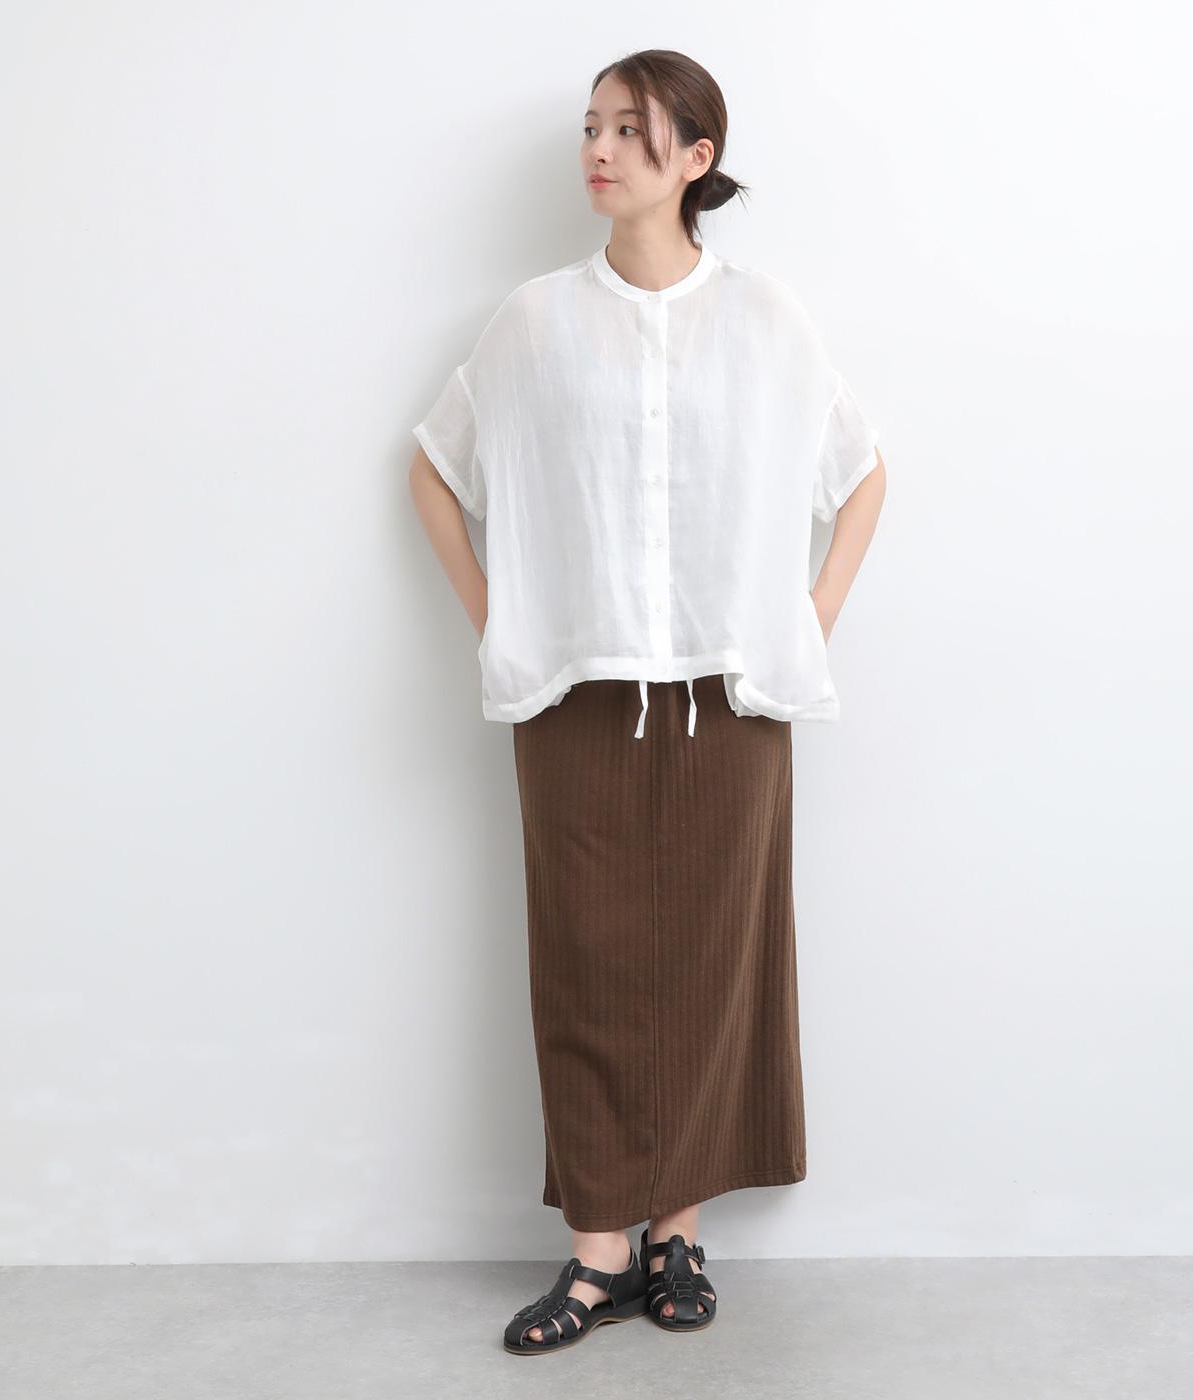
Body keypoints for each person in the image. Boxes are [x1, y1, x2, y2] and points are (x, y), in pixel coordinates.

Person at [408, 49, 886, 1354]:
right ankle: (596, 1256)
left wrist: (807, 616)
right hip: (577, 697)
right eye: (591, 127)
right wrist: (504, 617)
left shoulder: (767, 319)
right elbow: (436, 470)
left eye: (631, 129)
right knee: (585, 966)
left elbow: (859, 475)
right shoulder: (533, 322)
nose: (600, 150)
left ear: (696, 158)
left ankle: (677, 1235)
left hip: (732, 699)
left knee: (716, 965)